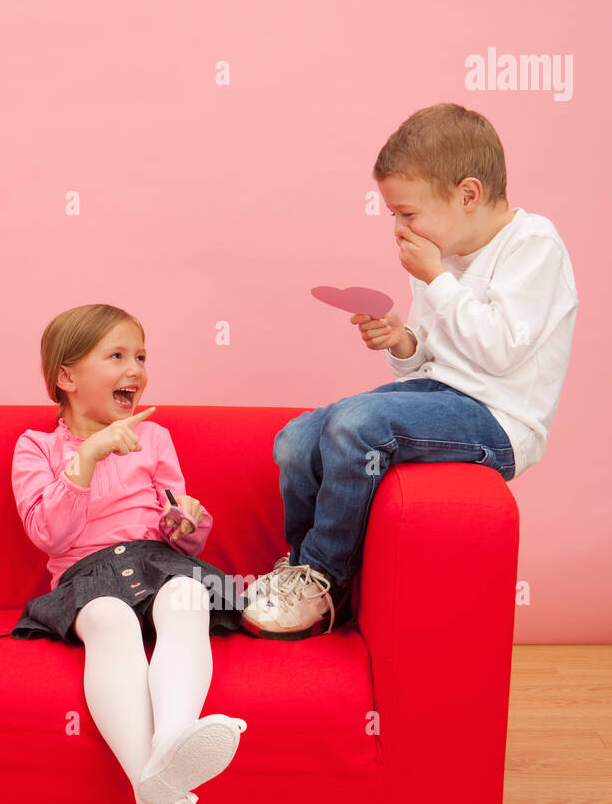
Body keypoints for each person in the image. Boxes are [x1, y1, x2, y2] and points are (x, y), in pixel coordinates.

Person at [241, 102, 579, 639]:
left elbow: (501, 353)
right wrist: (404, 341)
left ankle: (324, 576)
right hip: (442, 395)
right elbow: (426, 366)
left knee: (356, 423)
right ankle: (303, 571)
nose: (399, 227)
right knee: (296, 439)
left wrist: (437, 280)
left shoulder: (533, 245)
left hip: (502, 419)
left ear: (468, 194)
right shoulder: (441, 252)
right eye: (394, 215)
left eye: (408, 213)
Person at [10, 303, 246, 804]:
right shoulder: (35, 449)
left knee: (188, 595)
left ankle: (171, 747)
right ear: (67, 378)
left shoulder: (156, 437)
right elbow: (48, 533)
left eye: (140, 356)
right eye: (116, 356)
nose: (135, 369)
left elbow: (180, 535)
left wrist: (186, 521)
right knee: (110, 620)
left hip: (156, 561)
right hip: (86, 574)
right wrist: (86, 457)